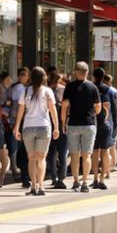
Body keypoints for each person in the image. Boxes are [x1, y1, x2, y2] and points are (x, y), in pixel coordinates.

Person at [13, 66, 60, 196]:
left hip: (28, 127)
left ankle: (33, 185)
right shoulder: (47, 91)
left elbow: (21, 110)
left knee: (31, 158)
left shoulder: (26, 91)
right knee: (41, 158)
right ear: (44, 77)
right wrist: (56, 127)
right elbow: (52, 110)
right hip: (44, 127)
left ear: (31, 78)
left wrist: (16, 127)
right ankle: (41, 185)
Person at [62, 61, 101, 193]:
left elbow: (64, 106)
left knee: (74, 155)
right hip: (89, 124)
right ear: (87, 73)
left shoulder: (69, 87)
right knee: (87, 155)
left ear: (75, 71)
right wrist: (91, 114)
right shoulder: (93, 87)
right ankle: (85, 181)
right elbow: (98, 108)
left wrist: (63, 122)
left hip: (73, 124)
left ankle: (75, 181)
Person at [90, 67, 115, 190]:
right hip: (105, 124)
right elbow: (112, 108)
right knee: (105, 152)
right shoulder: (109, 90)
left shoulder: (90, 87)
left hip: (93, 123)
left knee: (94, 152)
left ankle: (94, 178)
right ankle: (102, 179)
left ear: (93, 76)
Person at [46, 69, 69, 189]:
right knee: (63, 154)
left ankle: (54, 177)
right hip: (62, 126)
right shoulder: (63, 90)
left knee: (51, 154)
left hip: (50, 126)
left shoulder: (46, 91)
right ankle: (61, 177)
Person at [8, 68, 30, 187]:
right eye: (22, 75)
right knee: (22, 149)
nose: (23, 77)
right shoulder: (20, 89)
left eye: (25, 75)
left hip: (23, 122)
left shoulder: (24, 89)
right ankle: (24, 174)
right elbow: (18, 107)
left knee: (23, 149)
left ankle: (25, 175)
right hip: (22, 122)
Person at [102, 71, 117, 176]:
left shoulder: (105, 91)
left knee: (108, 147)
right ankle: (111, 167)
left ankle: (109, 168)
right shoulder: (115, 92)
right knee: (112, 146)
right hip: (113, 122)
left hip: (108, 121)